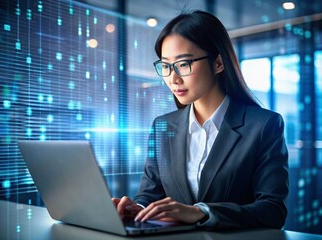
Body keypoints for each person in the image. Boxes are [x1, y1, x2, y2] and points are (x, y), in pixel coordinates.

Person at [112, 10, 289, 230]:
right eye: (166, 66)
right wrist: (135, 208)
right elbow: (150, 194)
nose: (173, 78)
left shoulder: (263, 126)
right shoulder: (163, 126)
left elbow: (273, 211)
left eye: (184, 64)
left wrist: (201, 213)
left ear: (218, 64)